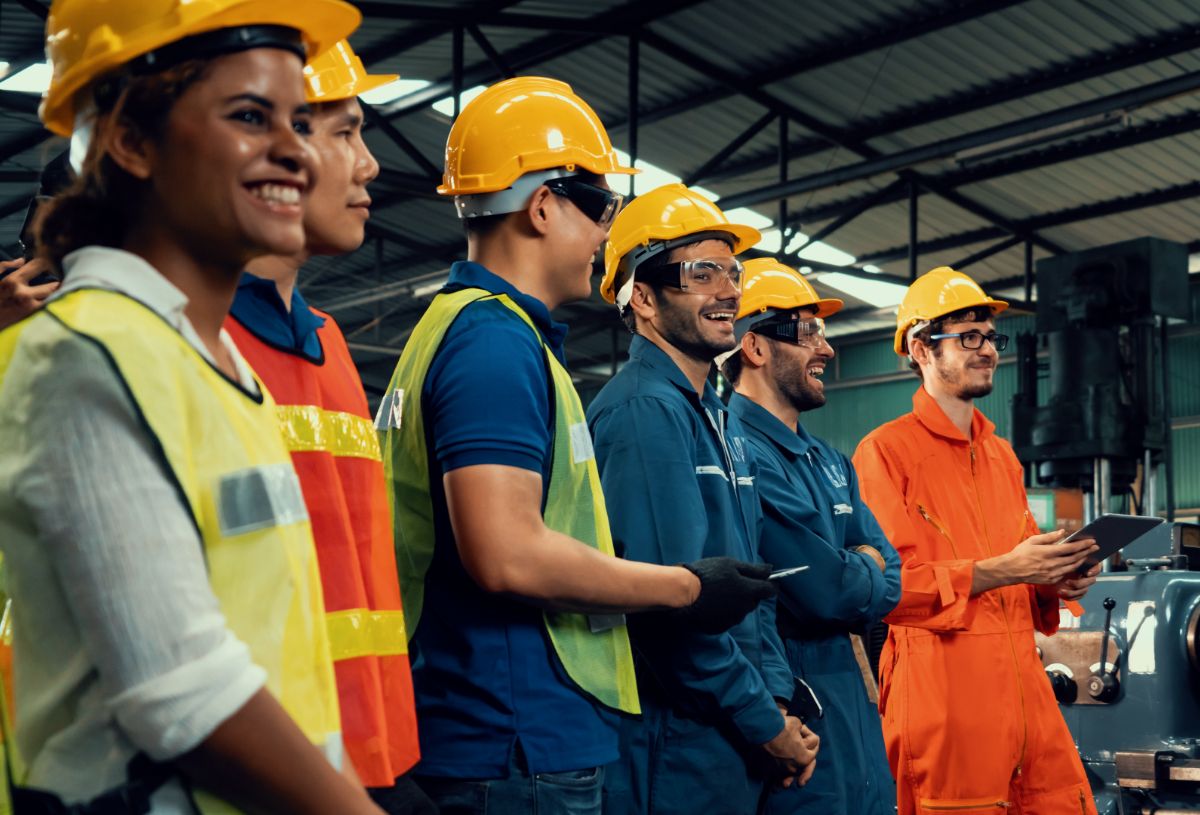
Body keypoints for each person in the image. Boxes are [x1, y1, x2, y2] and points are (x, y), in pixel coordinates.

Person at [0, 0, 385, 811]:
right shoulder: (86, 354)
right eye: (251, 116)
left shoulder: (212, 356)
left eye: (298, 119)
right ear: (132, 141)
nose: (296, 152)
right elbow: (183, 691)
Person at [376, 77, 775, 815]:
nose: (601, 236)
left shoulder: (464, 331)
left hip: (498, 730)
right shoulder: (493, 342)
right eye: (599, 210)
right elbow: (507, 553)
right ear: (541, 205)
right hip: (512, 736)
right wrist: (688, 586)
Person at [223, 40, 430, 813]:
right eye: (345, 133)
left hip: (366, 759)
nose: (370, 165)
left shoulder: (333, 346)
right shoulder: (192, 345)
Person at [588, 185, 820, 815]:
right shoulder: (645, 412)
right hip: (676, 741)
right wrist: (766, 725)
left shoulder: (716, 415)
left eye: (732, 272)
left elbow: (752, 587)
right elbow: (675, 613)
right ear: (641, 295)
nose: (728, 290)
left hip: (731, 730)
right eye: (701, 272)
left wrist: (776, 701)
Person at [852, 266, 1101, 815]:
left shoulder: (1001, 455)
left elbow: (1023, 565)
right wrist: (1007, 569)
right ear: (921, 349)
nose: (986, 349)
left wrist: (1060, 577)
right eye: (967, 336)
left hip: (1026, 696)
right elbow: (890, 590)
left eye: (990, 336)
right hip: (945, 701)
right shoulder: (884, 453)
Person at [721, 258, 901, 815]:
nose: (825, 349)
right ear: (754, 347)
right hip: (798, 701)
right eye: (806, 333)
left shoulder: (830, 461)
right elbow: (827, 592)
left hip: (854, 696)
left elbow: (890, 576)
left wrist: (860, 570)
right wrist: (858, 567)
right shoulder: (738, 452)